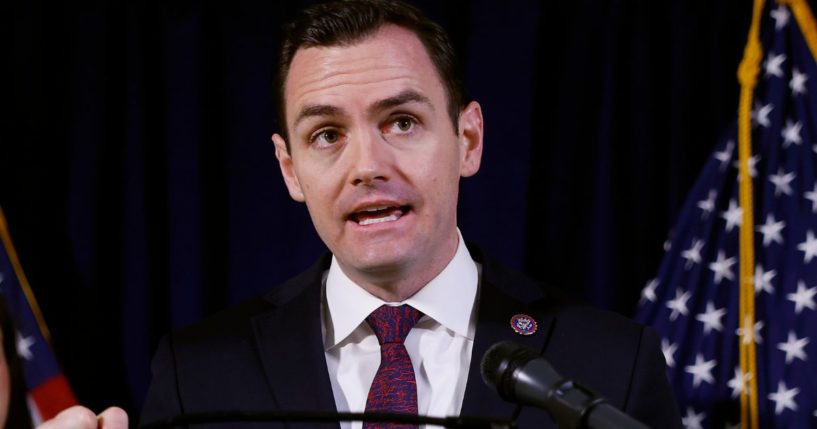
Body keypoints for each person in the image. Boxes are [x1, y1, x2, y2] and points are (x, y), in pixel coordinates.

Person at [45, 0, 682, 427]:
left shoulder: (608, 365)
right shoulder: (200, 375)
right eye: (326, 134)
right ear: (289, 168)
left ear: (468, 141)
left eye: (401, 122)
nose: (367, 165)